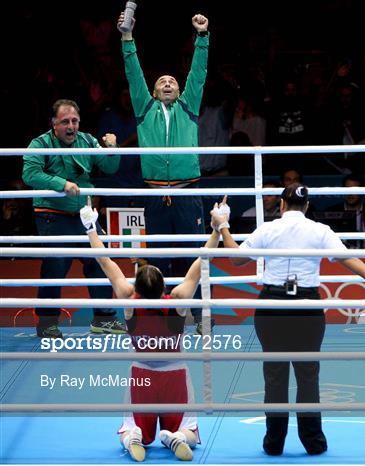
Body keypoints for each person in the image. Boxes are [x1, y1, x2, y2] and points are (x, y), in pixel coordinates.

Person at [210, 183, 365, 456]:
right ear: (306, 206)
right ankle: (313, 442)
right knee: (308, 375)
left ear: (281, 205)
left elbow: (236, 259)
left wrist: (223, 225)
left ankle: (274, 442)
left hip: (272, 306)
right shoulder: (320, 230)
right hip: (306, 307)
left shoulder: (268, 229)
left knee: (275, 376)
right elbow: (347, 258)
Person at [79, 200, 223, 462]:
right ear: (162, 285)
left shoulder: (128, 301)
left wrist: (90, 227)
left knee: (131, 431)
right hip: (175, 375)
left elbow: (105, 261)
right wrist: (216, 227)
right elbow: (202, 262)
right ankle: (176, 437)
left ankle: (134, 437)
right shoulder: (178, 300)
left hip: (141, 375)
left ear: (137, 288)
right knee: (188, 431)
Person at [117, 9, 210, 332]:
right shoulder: (145, 109)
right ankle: (156, 318)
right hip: (155, 193)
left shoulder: (188, 106)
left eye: (172, 81)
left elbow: (198, 73)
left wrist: (202, 37)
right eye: (162, 81)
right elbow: (133, 75)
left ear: (180, 90)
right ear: (154, 92)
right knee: (157, 260)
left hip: (187, 192)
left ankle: (198, 317)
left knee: (192, 258)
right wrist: (127, 39)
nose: (168, 83)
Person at [22, 99, 123, 339]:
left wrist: (112, 147)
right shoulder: (40, 144)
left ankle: (104, 319)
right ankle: (47, 323)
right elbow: (29, 174)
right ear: (53, 124)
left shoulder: (87, 141)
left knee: (100, 260)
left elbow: (110, 168)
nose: (71, 126)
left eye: (74, 121)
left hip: (84, 215)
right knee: (55, 265)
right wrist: (61, 184)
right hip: (53, 215)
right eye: (65, 121)